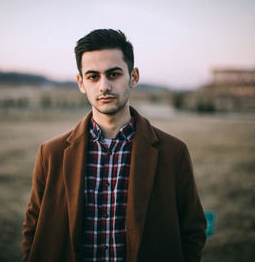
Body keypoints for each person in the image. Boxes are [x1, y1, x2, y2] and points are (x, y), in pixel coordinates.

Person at [22, 29, 206, 262]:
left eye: (114, 74)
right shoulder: (51, 153)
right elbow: (33, 229)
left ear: (134, 77)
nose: (104, 86)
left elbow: (192, 230)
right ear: (81, 82)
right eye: (93, 77)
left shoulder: (173, 152)